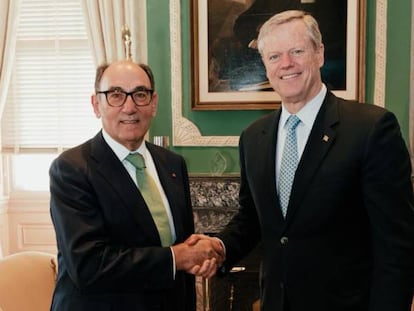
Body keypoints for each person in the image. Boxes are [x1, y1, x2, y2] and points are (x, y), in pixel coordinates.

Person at [190, 10, 414, 311]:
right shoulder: (253, 138)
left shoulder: (371, 129)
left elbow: (396, 246)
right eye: (274, 56)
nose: (286, 64)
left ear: (319, 54)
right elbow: (252, 218)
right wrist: (220, 247)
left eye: (297, 51)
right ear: (265, 65)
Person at [49, 60, 224, 311]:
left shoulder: (172, 164)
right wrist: (178, 257)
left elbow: (182, 245)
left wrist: (200, 254)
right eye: (116, 95)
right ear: (96, 104)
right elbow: (89, 265)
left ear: (153, 104)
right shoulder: (71, 169)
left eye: (140, 94)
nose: (129, 107)